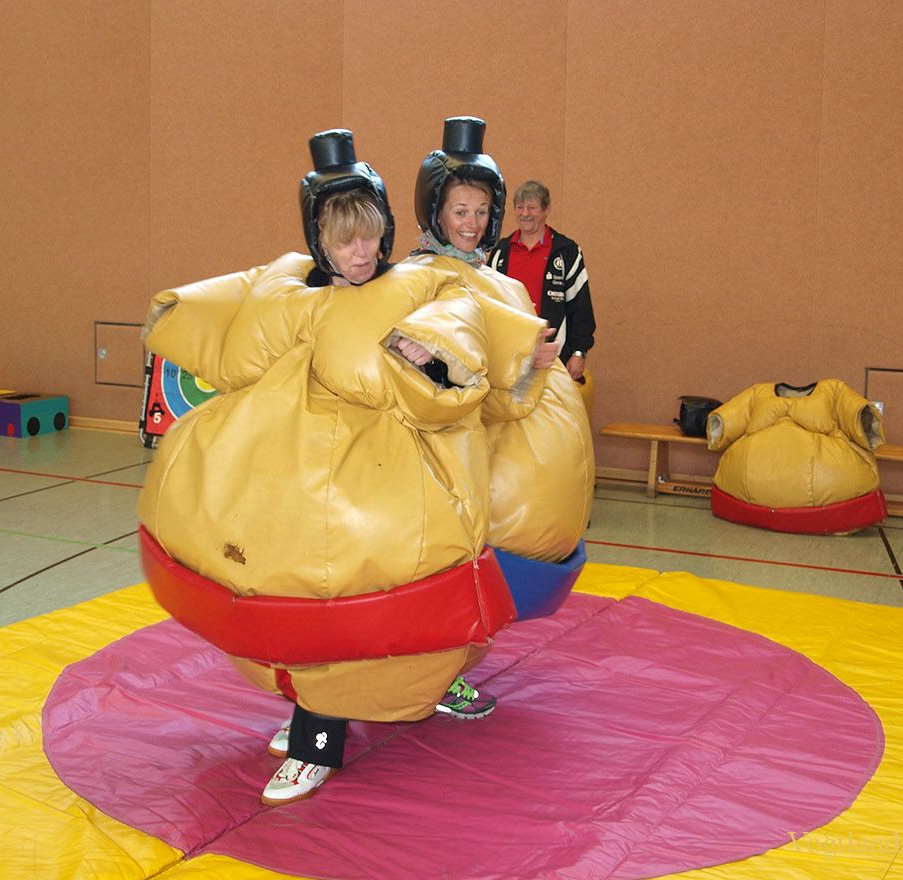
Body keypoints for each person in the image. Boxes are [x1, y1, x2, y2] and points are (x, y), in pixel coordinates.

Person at [139, 130, 539, 807]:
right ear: (319, 240)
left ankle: (317, 739)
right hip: (293, 468)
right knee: (287, 582)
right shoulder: (290, 288)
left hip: (384, 481)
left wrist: (429, 351)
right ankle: (312, 706)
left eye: (369, 238)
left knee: (351, 589)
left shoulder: (415, 283)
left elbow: (461, 320)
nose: (360, 253)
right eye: (344, 241)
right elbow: (233, 324)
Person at [408, 118, 594, 610]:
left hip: (511, 508)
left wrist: (536, 361)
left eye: (481, 211)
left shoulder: (495, 279)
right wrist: (519, 365)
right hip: (461, 490)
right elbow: (437, 386)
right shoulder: (422, 278)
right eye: (460, 211)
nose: (471, 223)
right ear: (436, 212)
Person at [488, 180, 596, 381]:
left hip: (554, 359)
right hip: (508, 357)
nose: (525, 213)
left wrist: (579, 352)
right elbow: (487, 305)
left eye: (532, 207)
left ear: (546, 210)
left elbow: (581, 305)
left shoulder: (567, 252)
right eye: (520, 207)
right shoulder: (500, 252)